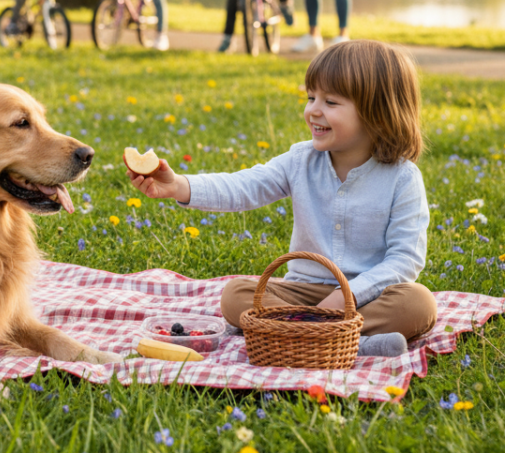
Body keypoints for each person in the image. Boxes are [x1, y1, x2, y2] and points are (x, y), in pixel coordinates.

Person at [126, 40, 436, 357]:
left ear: (378, 115)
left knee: (418, 303)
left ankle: (290, 334)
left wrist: (349, 296)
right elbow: (242, 186)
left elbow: (404, 261)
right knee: (235, 295)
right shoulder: (299, 161)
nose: (313, 110)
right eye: (311, 97)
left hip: (367, 298)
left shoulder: (402, 178)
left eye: (330, 101)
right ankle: (348, 341)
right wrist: (178, 185)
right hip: (300, 293)